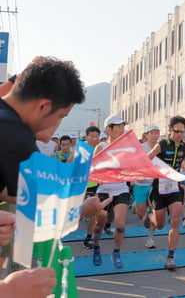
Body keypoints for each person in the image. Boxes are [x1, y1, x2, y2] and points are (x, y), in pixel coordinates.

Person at [0, 57, 86, 297]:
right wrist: (82, 208)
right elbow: (42, 200)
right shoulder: (15, 135)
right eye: (62, 116)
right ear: (43, 106)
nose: (57, 123)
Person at [147, 116, 185, 270]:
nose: (179, 134)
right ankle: (151, 218)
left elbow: (183, 161)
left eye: (182, 131)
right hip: (159, 188)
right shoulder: (162, 144)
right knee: (160, 225)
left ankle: (170, 257)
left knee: (175, 221)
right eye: (176, 131)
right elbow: (148, 158)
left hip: (174, 188)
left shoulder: (184, 147)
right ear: (170, 130)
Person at [92, 115, 132, 270]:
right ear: (109, 129)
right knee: (100, 223)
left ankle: (116, 252)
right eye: (118, 127)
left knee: (120, 224)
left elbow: (132, 165)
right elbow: (93, 169)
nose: (122, 130)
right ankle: (96, 247)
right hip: (104, 190)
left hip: (121, 188)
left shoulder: (127, 146)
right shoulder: (101, 147)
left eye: (123, 126)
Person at [136, 125, 159, 249]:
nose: (154, 135)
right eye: (152, 133)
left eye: (157, 133)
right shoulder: (141, 148)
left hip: (154, 184)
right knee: (141, 214)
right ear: (147, 135)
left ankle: (150, 238)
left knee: (154, 212)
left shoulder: (161, 147)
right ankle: (143, 214)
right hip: (141, 184)